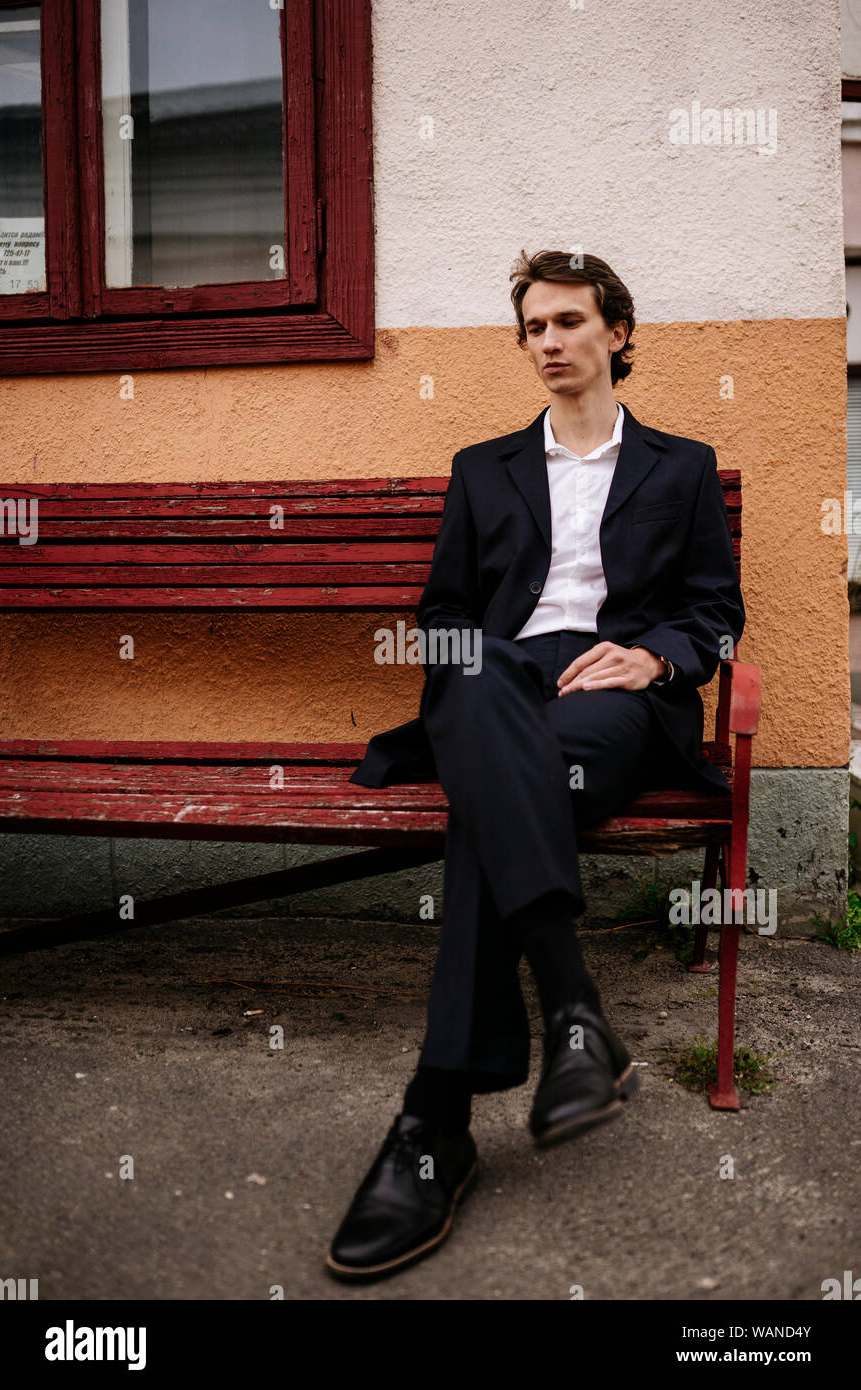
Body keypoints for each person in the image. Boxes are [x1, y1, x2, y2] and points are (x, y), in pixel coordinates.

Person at [324, 250, 746, 1283]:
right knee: (472, 696)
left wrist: (651, 657)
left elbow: (716, 617)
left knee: (484, 789)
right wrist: (482, 662)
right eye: (531, 328)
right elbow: (443, 615)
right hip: (500, 683)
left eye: (566, 321)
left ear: (615, 333)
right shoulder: (483, 467)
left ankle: (434, 1123)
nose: (547, 342)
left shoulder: (679, 466)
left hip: (615, 700)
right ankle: (569, 1012)